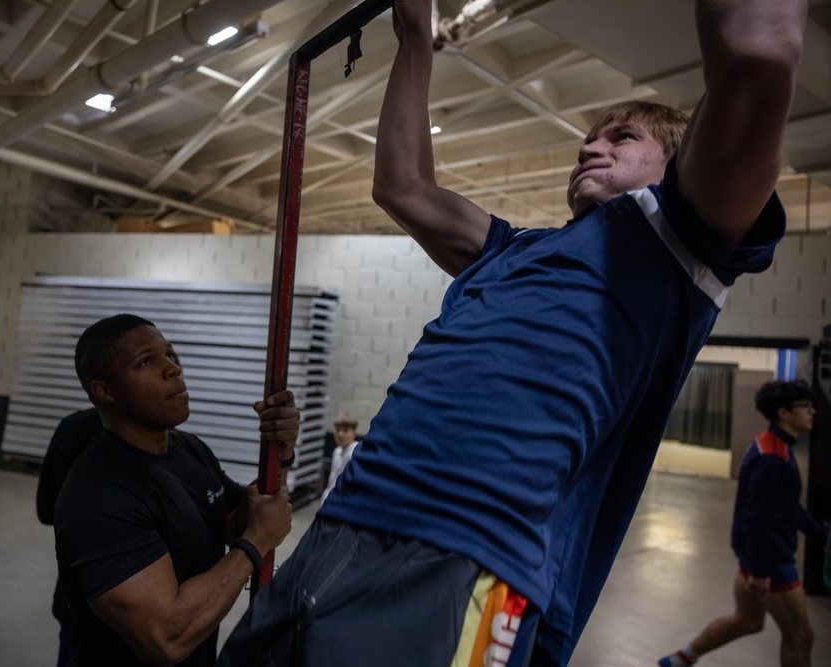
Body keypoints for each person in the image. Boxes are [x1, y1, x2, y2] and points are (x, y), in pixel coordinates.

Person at [218, 1, 807, 665]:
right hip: (342, 522)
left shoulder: (679, 246)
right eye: (590, 136)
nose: (592, 145)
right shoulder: (512, 247)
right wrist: (416, 37)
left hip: (469, 553)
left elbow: (756, 60)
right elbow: (403, 185)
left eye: (621, 138)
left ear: (675, 166)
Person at [53, 313, 298, 667]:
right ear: (105, 391)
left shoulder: (190, 450)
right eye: (147, 361)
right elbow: (166, 637)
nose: (173, 368)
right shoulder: (98, 494)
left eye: (170, 354)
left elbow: (246, 520)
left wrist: (283, 451)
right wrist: (255, 544)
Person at [659, 380, 826, 667]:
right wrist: (760, 572)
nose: (812, 411)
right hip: (771, 563)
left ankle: (680, 659)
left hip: (759, 560)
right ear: (784, 413)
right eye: (805, 406)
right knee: (801, 636)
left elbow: (785, 507)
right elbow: (758, 519)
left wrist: (822, 535)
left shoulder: (773, 446)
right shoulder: (773, 458)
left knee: (747, 622)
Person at [36, 406, 103, 667]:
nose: (174, 374)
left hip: (74, 595)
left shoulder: (73, 425)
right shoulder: (160, 441)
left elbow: (45, 510)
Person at [320, 412, 360, 504]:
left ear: (354, 433)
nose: (340, 434)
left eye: (345, 430)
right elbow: (332, 481)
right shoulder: (337, 451)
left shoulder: (355, 454)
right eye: (338, 430)